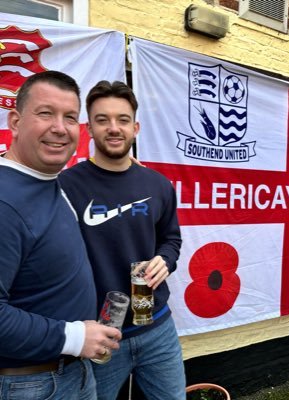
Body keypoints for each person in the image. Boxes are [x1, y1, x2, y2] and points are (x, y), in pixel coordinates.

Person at [59, 80, 186, 400]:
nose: (113, 128)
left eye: (123, 119)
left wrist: (165, 260)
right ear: (89, 127)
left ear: (136, 127)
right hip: (100, 335)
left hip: (157, 327)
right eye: (103, 120)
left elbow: (171, 239)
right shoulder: (64, 186)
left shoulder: (158, 184)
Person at [0, 71, 122, 400]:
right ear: (14, 121)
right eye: (45, 113)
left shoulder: (48, 180)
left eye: (69, 117)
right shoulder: (4, 200)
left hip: (70, 373)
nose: (59, 128)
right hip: (28, 385)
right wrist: (73, 337)